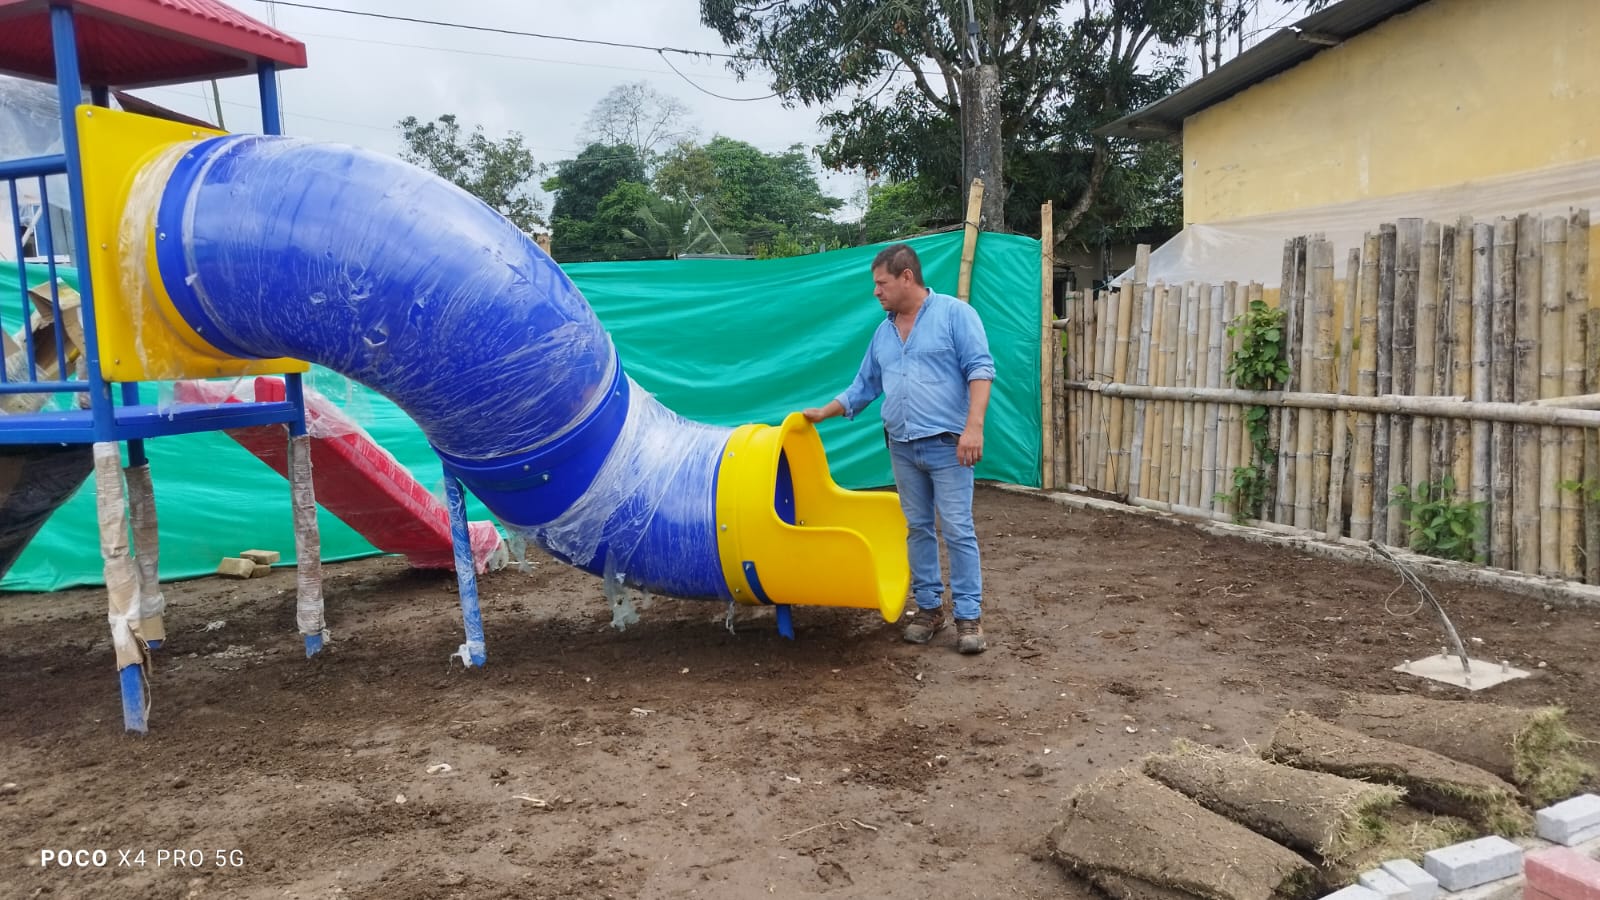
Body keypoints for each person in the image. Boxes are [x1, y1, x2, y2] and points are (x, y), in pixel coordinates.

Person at [801, 243, 995, 654]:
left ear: (907, 277)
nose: (876, 292)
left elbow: (980, 369)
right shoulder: (883, 333)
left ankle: (968, 616)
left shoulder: (955, 315)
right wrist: (823, 412)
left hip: (948, 445)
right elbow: (863, 386)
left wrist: (974, 428)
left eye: (881, 283)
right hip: (902, 447)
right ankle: (929, 610)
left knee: (958, 529)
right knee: (918, 528)